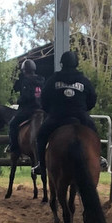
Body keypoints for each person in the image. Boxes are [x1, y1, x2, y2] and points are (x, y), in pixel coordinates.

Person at [34, 50, 97, 178]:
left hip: (57, 116)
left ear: (62, 63)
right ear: (76, 63)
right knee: (94, 134)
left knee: (41, 136)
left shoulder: (53, 80)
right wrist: (84, 109)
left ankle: (41, 164)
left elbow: (44, 99)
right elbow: (92, 99)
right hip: (80, 116)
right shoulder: (84, 81)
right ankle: (98, 158)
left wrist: (50, 111)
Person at [9, 59, 44, 159]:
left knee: (12, 124)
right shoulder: (42, 80)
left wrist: (18, 101)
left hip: (29, 110)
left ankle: (14, 149)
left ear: (25, 70)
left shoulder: (26, 81)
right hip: (41, 109)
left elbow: (26, 97)